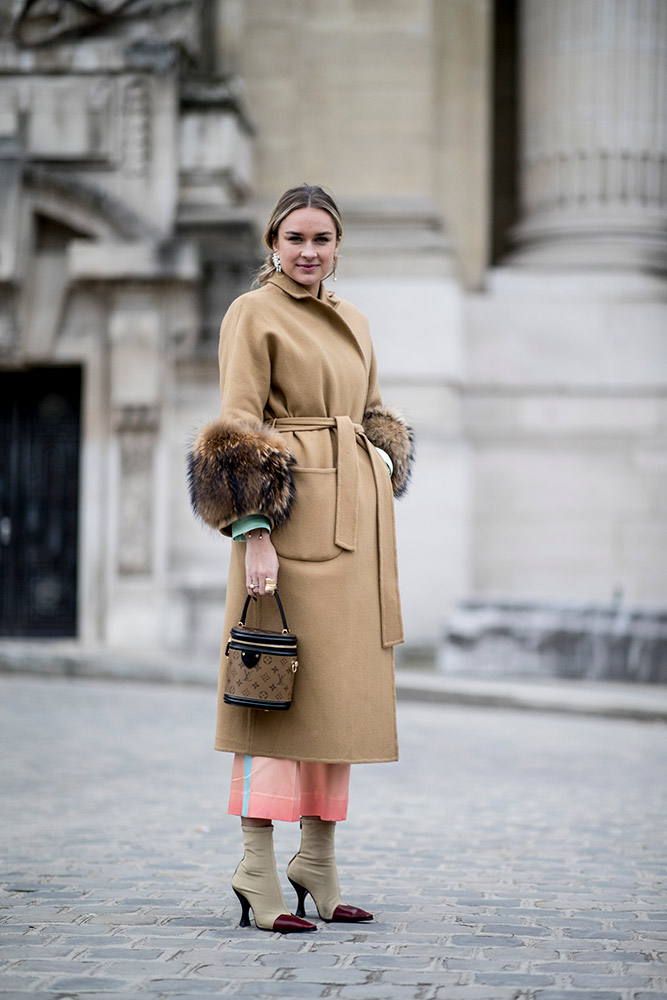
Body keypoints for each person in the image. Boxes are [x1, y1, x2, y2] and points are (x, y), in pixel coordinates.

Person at [188, 184, 414, 934]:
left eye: (321, 238)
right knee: (270, 686)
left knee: (339, 698)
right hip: (285, 527)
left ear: (338, 244)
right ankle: (256, 866)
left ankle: (316, 860)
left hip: (356, 525)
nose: (309, 251)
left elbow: (374, 405)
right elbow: (236, 423)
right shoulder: (253, 312)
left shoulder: (353, 317)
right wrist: (251, 529)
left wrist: (382, 458)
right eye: (295, 238)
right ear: (272, 244)